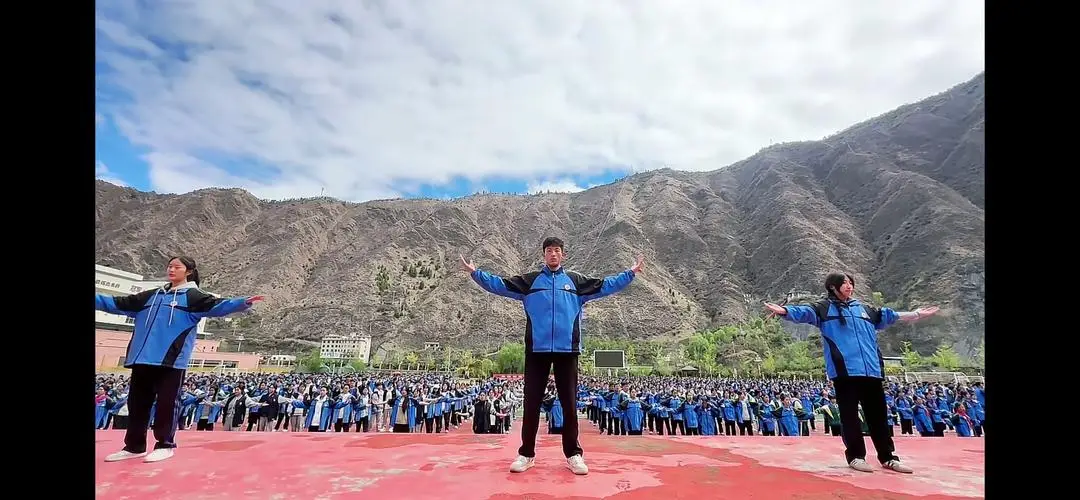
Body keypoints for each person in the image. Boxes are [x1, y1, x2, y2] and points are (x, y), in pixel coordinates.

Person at [461, 236, 642, 475]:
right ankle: (526, 454)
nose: (553, 254)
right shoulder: (531, 282)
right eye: (549, 251)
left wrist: (630, 273)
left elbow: (606, 285)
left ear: (563, 255)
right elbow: (500, 284)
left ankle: (574, 454)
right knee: (531, 404)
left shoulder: (576, 282)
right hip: (537, 349)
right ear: (544, 255)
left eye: (557, 250)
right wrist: (476, 273)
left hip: (567, 350)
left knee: (568, 404)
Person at [764, 272, 938, 474]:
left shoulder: (864, 309)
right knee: (850, 416)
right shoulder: (824, 308)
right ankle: (856, 456)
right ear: (832, 287)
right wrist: (784, 310)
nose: (849, 286)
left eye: (850, 282)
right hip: (845, 372)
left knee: (878, 417)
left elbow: (889, 316)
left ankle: (888, 457)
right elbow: (804, 312)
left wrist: (916, 314)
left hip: (871, 371)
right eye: (844, 283)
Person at [95, 256, 262, 462]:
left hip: (172, 360)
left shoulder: (193, 296)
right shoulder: (152, 295)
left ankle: (165, 444)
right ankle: (134, 446)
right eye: (169, 266)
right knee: (137, 404)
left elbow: (218, 305)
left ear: (189, 271)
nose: (171, 269)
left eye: (177, 267)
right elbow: (116, 303)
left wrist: (242, 303)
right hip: (142, 358)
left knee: (167, 403)